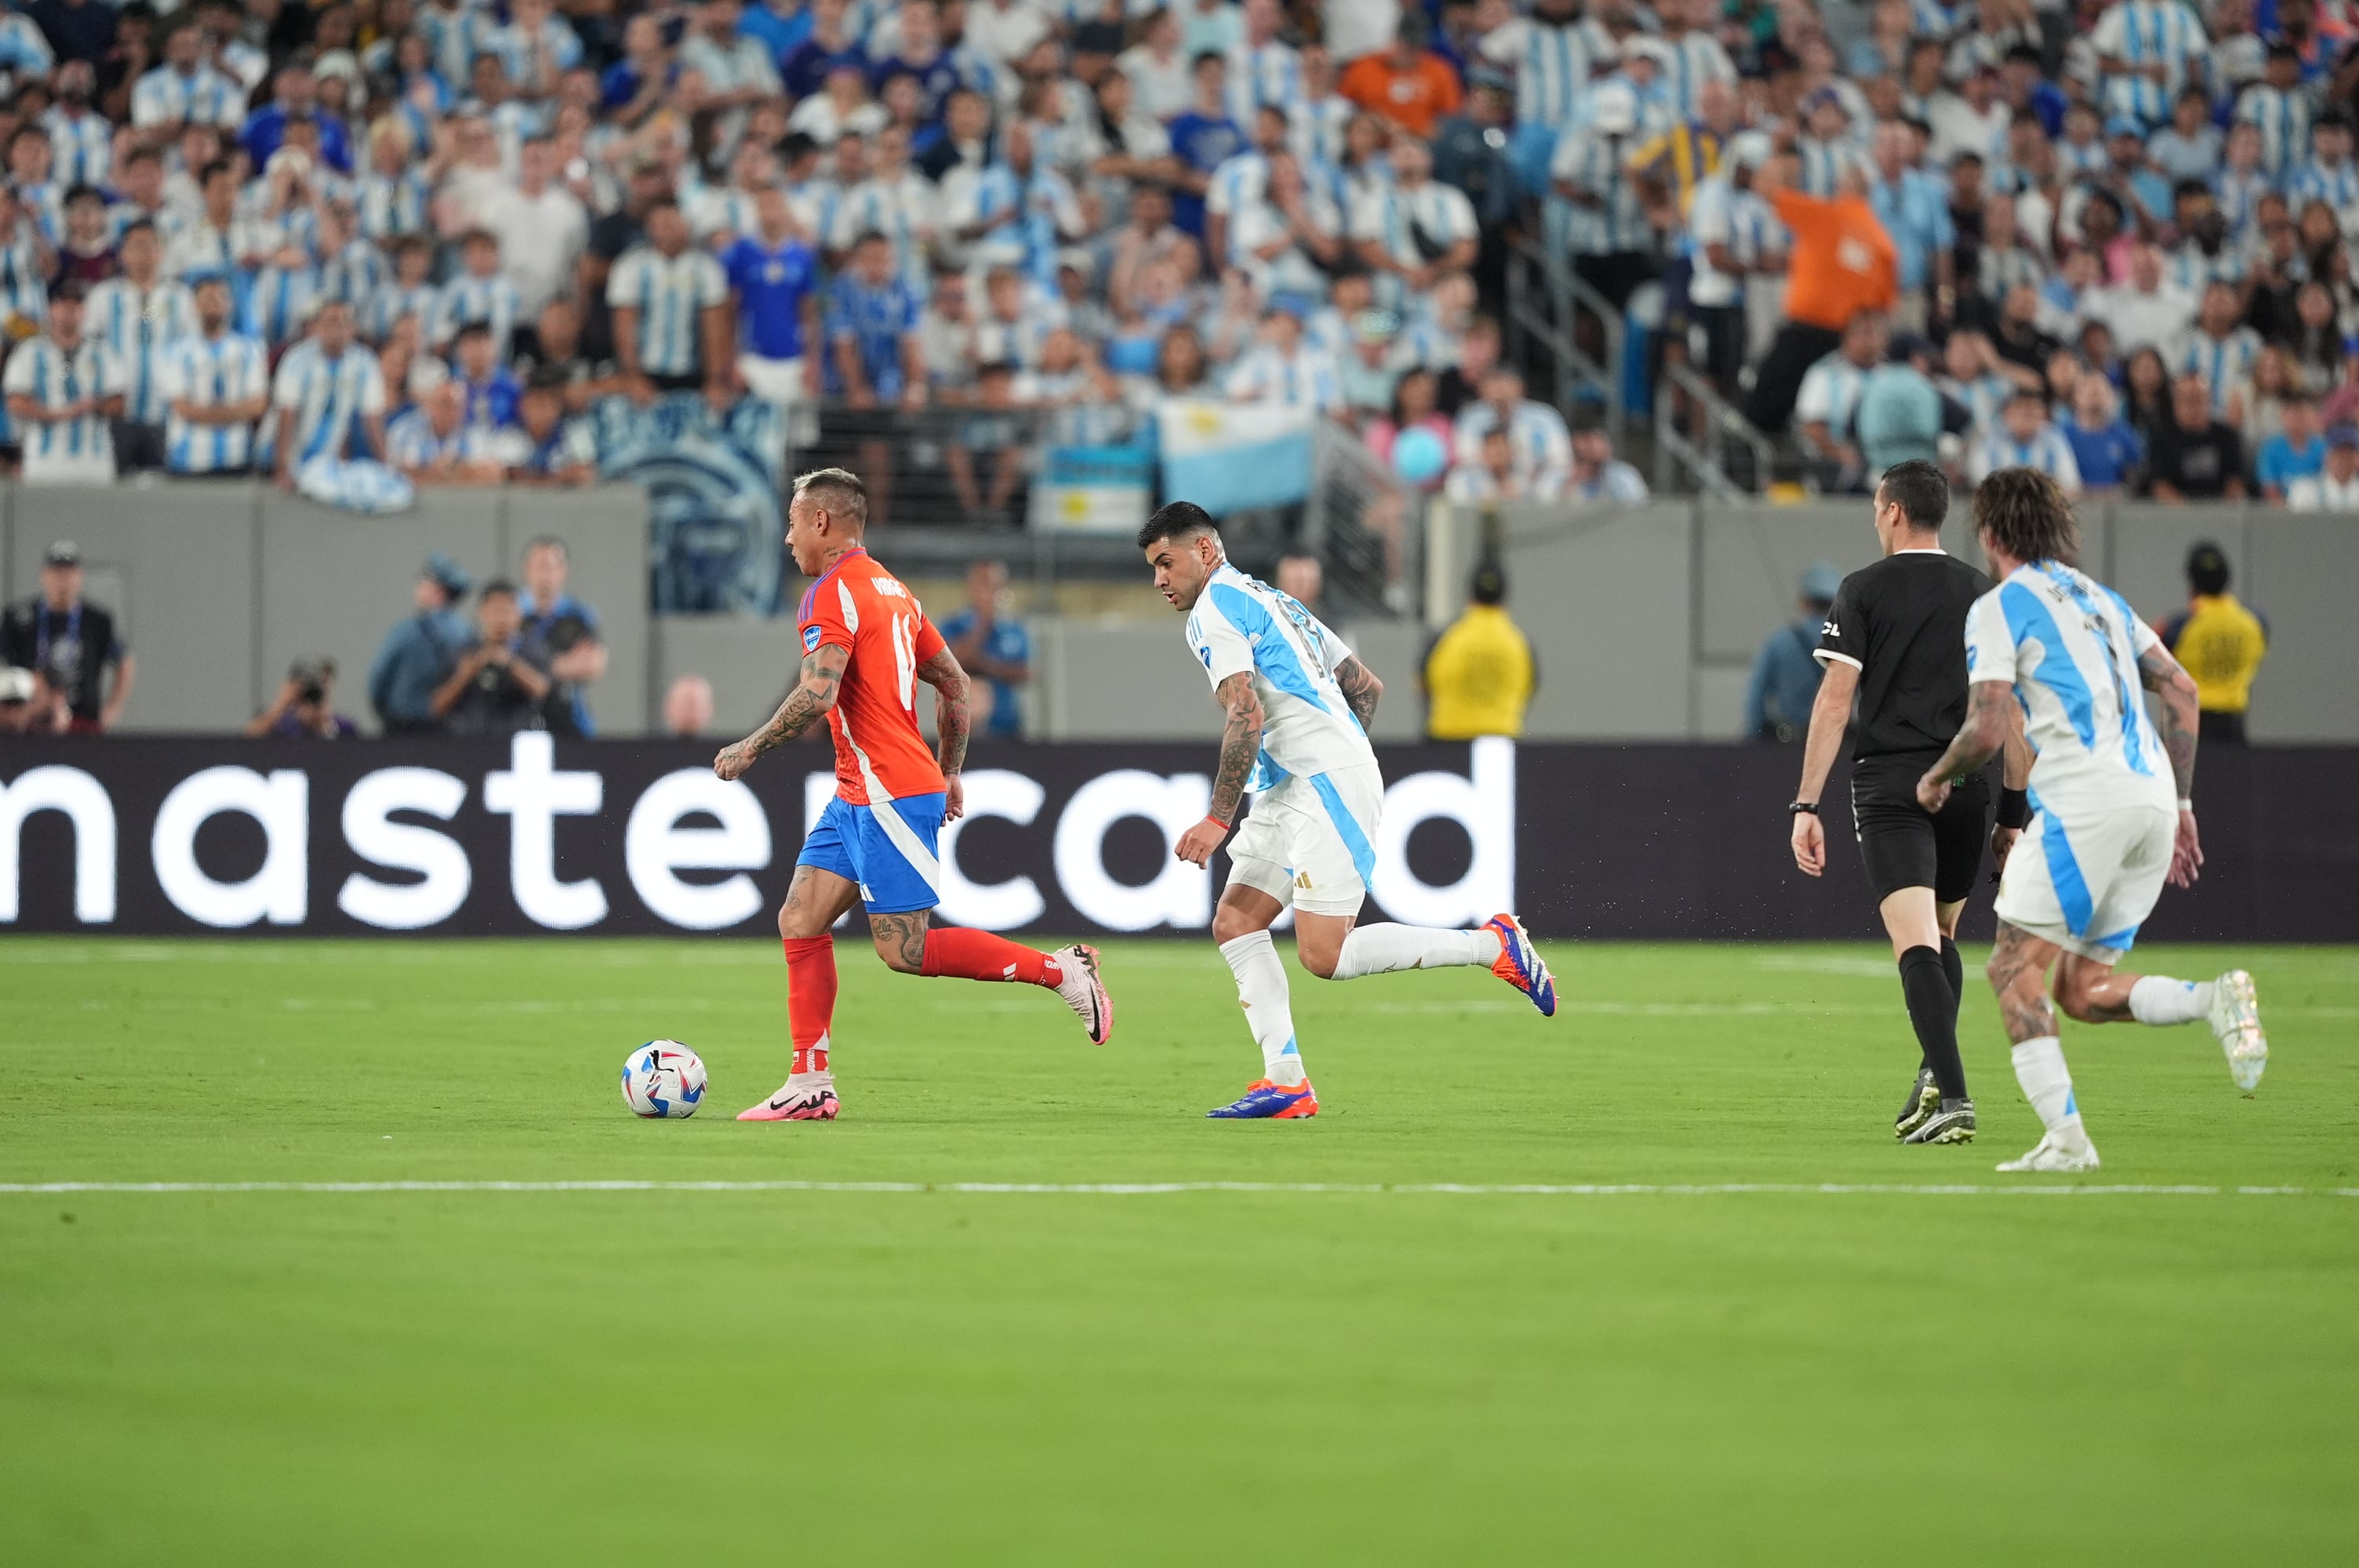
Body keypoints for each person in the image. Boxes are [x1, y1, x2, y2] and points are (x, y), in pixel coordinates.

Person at [713, 468, 1112, 1124]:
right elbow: (955, 685)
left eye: (791, 523)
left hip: (886, 791)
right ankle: (809, 1081)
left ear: (822, 523)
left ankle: (1061, 970)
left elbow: (817, 692)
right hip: (862, 791)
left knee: (907, 949)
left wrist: (749, 747)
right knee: (800, 918)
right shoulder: (896, 593)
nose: (787, 539)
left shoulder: (830, 593)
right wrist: (950, 769)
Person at [1140, 502, 1556, 1120]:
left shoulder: (1213, 612)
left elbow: (1245, 712)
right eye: (1153, 569)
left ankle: (1492, 945)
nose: (1159, 581)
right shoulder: (1273, 600)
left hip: (1322, 782)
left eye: (1166, 563)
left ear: (1204, 551)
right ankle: (1286, 1083)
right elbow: (1365, 686)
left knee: (1324, 956)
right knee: (1236, 923)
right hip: (1298, 782)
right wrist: (1333, 748)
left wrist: (1219, 817)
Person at [1914, 466, 2266, 1174]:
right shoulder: (2103, 600)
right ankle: (2213, 1000)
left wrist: (1935, 777)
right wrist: (2186, 805)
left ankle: (2069, 1143)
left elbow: (1987, 728)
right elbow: (2183, 689)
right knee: (2079, 989)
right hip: (2153, 803)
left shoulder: (2001, 604)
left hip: (2085, 804)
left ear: (1988, 532)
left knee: (2013, 968)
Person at [1790, 460, 2029, 1146]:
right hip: (1965, 787)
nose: (1874, 517)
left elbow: (1836, 701)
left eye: (1875, 506)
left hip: (1893, 785)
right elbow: (2010, 718)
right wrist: (2012, 817)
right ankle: (1934, 1074)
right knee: (1944, 937)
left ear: (1894, 511)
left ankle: (1953, 1096)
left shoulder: (1861, 590)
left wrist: (1806, 803)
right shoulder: (1985, 594)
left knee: (1914, 941)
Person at [1743, 157, 1899, 437]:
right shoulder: (1883, 243)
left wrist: (1779, 163)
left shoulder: (1823, 215)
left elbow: (1765, 190)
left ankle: (1746, 465)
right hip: (1846, 343)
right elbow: (1884, 306)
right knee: (1832, 417)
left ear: (1842, 186)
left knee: (1764, 410)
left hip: (1803, 333)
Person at [0, 539, 133, 734]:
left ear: (79, 577)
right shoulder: (19, 618)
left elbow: (124, 663)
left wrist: (113, 708)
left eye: (69, 572)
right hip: (29, 720)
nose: (63, 579)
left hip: (83, 720)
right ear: (44, 576)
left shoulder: (96, 620)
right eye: (57, 572)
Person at [2, 280, 122, 482]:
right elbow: (15, 403)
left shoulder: (103, 352)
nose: (69, 311)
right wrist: (60, 413)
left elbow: (119, 403)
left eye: (75, 305)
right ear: (51, 309)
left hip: (94, 460)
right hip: (45, 459)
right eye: (63, 305)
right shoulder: (30, 351)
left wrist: (94, 405)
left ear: (84, 311)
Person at [2157, 542, 2268, 746]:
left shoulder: (2178, 627)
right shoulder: (2255, 624)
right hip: (2234, 731)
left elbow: (2149, 659)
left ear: (2192, 584)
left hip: (2188, 729)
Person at [1420, 557, 1537, 742]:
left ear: (1470, 594)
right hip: (1504, 739)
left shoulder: (1446, 638)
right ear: (1504, 596)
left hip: (1448, 740)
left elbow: (1423, 683)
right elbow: (1531, 686)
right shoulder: (1520, 643)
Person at [431, 578, 552, 736]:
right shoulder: (463, 653)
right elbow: (436, 707)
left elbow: (543, 691)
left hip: (519, 740)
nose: (501, 619)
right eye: (496, 611)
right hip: (471, 741)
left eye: (507, 611)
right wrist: (464, 676)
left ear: (519, 614)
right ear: (482, 612)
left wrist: (510, 663)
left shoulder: (532, 651)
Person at [368, 554, 473, 735]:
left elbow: (377, 682)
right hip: (451, 735)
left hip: (402, 729)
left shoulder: (406, 632)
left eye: (422, 583)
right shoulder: (467, 633)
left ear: (437, 590)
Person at [517, 536, 607, 737]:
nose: (545, 574)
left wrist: (530, 667)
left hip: (569, 719)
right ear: (527, 570)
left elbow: (592, 665)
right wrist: (563, 664)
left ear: (563, 571)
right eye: (539, 566)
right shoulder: (512, 614)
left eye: (551, 566)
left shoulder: (579, 616)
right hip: (518, 718)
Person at [1744, 564, 1841, 743]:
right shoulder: (1849, 642)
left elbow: (1756, 695)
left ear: (1804, 602)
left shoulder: (1779, 641)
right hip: (1835, 742)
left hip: (1788, 741)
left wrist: (1754, 735)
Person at [937, 558, 1030, 742]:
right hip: (962, 731)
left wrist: (984, 665)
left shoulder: (1014, 629)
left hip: (1008, 728)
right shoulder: (953, 625)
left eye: (996, 586)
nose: (990, 593)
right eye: (985, 585)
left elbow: (1025, 671)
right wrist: (983, 624)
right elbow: (950, 663)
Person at [2144, 373, 2248, 500]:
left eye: (2198, 399)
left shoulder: (2227, 436)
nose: (2192, 406)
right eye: (2187, 399)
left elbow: (2235, 482)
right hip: (2175, 514)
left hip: (2219, 512)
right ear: (2175, 402)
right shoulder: (2161, 438)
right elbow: (2159, 485)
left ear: (2209, 400)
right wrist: (2188, 515)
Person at [245, 656, 359, 738]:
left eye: (322, 683)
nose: (314, 688)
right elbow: (248, 741)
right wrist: (281, 704)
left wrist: (323, 723)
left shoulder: (344, 727)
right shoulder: (281, 724)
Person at [2287, 424, 2359, 509]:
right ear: (2327, 457)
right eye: (2339, 454)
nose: (2344, 461)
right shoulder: (2305, 490)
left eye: (2349, 455)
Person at [663, 673, 716, 739]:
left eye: (695, 707)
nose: (689, 713)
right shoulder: (651, 747)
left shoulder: (725, 748)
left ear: (709, 709)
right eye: (684, 707)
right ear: (669, 707)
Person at [0, 665, 36, 734]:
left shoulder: (42, 736)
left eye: (19, 705)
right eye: (8, 705)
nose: (12, 714)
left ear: (30, 706)